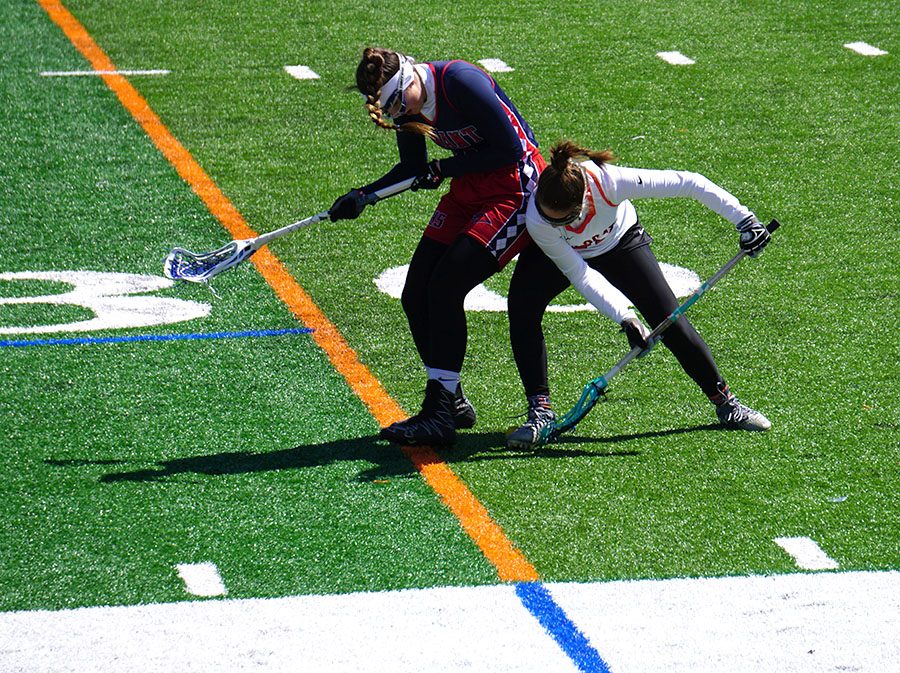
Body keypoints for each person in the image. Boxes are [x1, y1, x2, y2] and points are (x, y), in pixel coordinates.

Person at [329, 47, 546, 446]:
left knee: (445, 286)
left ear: (411, 78)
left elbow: (510, 149)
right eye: (388, 110)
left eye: (397, 104)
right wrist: (363, 196)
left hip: (516, 189)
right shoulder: (406, 105)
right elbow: (414, 168)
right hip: (469, 188)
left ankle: (438, 412)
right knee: (415, 294)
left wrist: (443, 168)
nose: (397, 115)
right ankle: (451, 401)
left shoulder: (460, 81)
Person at [506, 140, 772, 448]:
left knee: (669, 321)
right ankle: (541, 412)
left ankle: (726, 403)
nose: (555, 223)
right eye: (549, 217)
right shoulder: (540, 221)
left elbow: (690, 183)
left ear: (583, 203)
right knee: (523, 305)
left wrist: (745, 220)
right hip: (560, 256)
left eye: (563, 219)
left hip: (620, 243)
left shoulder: (609, 182)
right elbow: (580, 273)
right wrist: (625, 317)